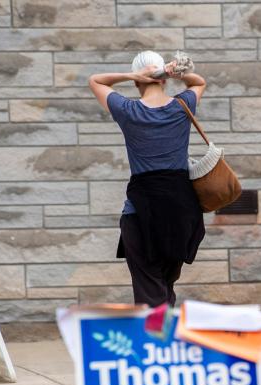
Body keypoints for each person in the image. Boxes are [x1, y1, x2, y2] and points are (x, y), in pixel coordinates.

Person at [87, 51, 208, 307]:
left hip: (141, 214)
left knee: (149, 292)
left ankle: (156, 343)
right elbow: (199, 82)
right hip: (180, 212)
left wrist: (130, 74)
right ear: (164, 79)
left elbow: (96, 81)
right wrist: (176, 71)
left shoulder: (128, 110)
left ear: (136, 81)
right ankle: (166, 340)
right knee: (166, 289)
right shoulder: (181, 106)